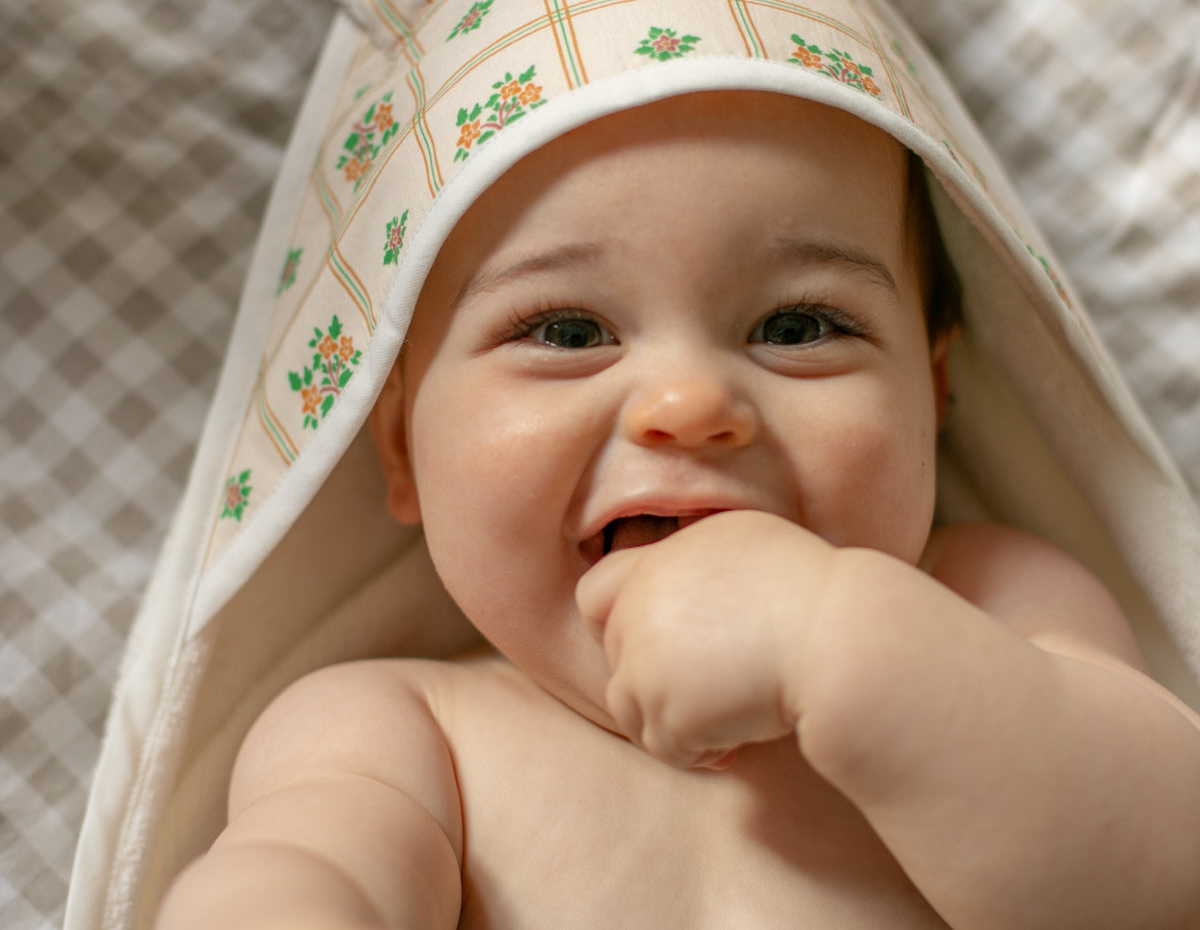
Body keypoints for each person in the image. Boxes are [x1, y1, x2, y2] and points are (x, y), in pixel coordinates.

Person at [153, 89, 1200, 930]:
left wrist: (836, 633)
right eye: (565, 331)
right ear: (399, 447)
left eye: (798, 324)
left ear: (933, 396)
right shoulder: (398, 736)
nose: (689, 405)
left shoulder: (995, 606)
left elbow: (1158, 878)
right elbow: (296, 879)